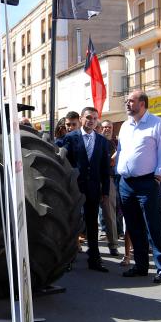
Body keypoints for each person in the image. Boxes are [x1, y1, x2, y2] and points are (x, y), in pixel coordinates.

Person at [116, 90, 161, 283]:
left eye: (131, 101)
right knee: (133, 226)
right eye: (127, 101)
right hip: (126, 183)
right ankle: (140, 266)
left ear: (142, 103)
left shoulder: (157, 124)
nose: (127, 104)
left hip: (147, 182)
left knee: (154, 226)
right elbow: (121, 151)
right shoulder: (125, 125)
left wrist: (157, 178)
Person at [63, 107, 111, 272]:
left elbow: (105, 169)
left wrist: (105, 191)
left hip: (93, 189)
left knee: (92, 224)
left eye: (95, 118)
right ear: (82, 118)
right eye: (88, 117)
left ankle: (94, 259)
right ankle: (67, 259)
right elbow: (64, 163)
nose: (91, 121)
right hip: (74, 188)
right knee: (72, 223)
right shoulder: (70, 138)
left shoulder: (102, 141)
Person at [97, 119, 119, 256]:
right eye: (103, 127)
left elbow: (111, 162)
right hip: (90, 180)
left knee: (109, 213)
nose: (106, 129)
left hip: (108, 179)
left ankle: (113, 244)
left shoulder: (110, 143)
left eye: (109, 127)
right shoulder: (90, 140)